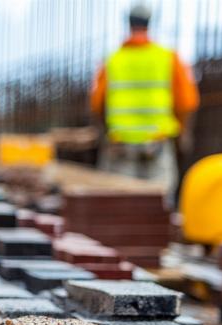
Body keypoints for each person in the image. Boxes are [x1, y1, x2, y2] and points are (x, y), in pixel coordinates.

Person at [90, 4, 199, 192]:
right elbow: (187, 102)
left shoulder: (112, 60)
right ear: (149, 24)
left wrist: (107, 132)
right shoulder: (167, 57)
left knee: (119, 204)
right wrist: (183, 133)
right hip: (156, 144)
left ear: (129, 23)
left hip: (120, 145)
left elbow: (96, 104)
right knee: (157, 206)